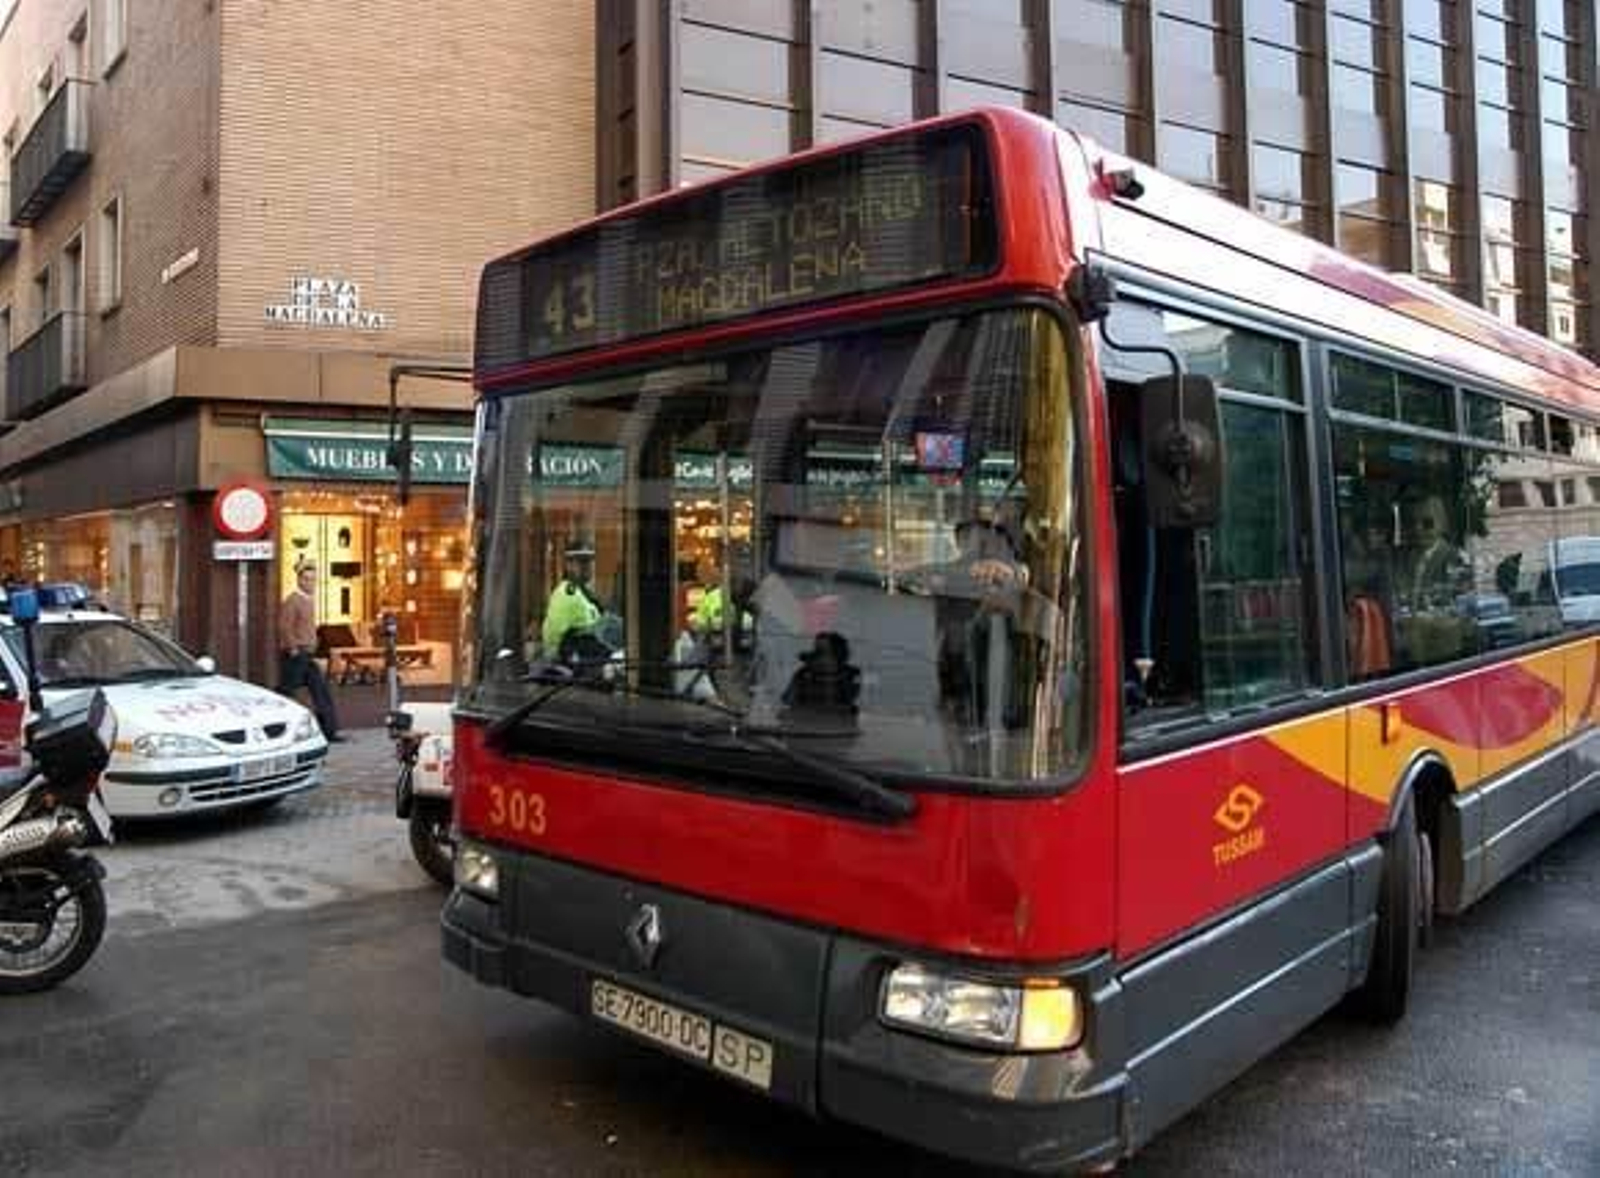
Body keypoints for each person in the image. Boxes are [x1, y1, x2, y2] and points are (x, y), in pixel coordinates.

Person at [278, 559, 342, 741]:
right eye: (306, 579)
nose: (310, 583)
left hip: (307, 655)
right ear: (299, 580)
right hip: (296, 656)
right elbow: (284, 627)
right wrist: (292, 649)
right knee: (287, 693)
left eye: (313, 580)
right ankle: (281, 730)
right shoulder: (293, 600)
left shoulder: (309, 600)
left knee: (321, 691)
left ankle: (329, 731)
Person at [541, 539, 604, 660]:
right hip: (573, 670)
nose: (588, 566)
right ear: (568, 565)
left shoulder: (584, 593)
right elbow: (555, 639)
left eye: (590, 561)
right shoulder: (566, 594)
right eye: (582, 562)